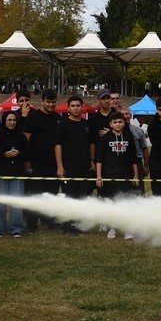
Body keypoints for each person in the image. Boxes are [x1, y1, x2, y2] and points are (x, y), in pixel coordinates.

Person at [95, 110, 139, 239]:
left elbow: (134, 159)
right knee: (111, 202)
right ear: (110, 124)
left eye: (120, 122)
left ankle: (127, 229)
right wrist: (99, 176)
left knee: (126, 202)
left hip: (125, 176)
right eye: (115, 122)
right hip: (109, 176)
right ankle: (112, 228)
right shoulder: (105, 138)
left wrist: (135, 175)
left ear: (124, 123)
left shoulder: (129, 136)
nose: (118, 124)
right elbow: (99, 159)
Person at [22, 88, 60, 230]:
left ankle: (50, 221)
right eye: (48, 102)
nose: (51, 105)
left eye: (53, 102)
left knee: (52, 193)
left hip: (53, 162)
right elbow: (25, 139)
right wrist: (27, 161)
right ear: (42, 101)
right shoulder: (33, 117)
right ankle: (31, 223)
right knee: (36, 193)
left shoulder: (58, 118)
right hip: (36, 162)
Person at [54, 95, 94, 233]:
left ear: (82, 107)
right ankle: (68, 225)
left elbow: (91, 144)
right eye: (73, 106)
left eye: (78, 105)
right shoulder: (63, 125)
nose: (76, 108)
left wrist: (92, 160)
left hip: (84, 166)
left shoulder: (87, 124)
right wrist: (60, 167)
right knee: (70, 197)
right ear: (68, 107)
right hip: (68, 167)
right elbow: (58, 146)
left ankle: (79, 225)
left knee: (82, 196)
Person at [0, 110, 29, 237]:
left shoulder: (21, 137)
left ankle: (16, 229)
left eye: (14, 120)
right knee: (0, 204)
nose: (12, 122)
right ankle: (0, 229)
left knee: (16, 203)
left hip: (17, 173)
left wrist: (18, 153)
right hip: (2, 172)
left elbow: (27, 154)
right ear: (4, 121)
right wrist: (3, 154)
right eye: (9, 120)